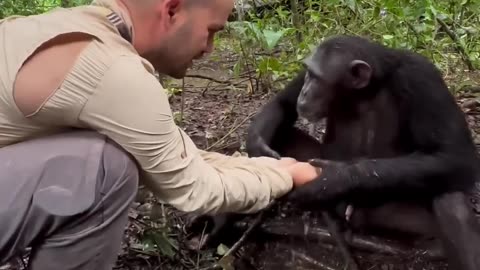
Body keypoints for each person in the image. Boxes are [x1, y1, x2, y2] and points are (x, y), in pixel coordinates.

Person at [0, 0, 320, 269]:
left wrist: (268, 167)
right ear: (172, 9)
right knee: (104, 167)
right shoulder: (113, 70)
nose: (210, 49)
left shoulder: (61, 29)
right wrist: (287, 179)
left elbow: (174, 152)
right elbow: (195, 188)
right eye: (210, 31)